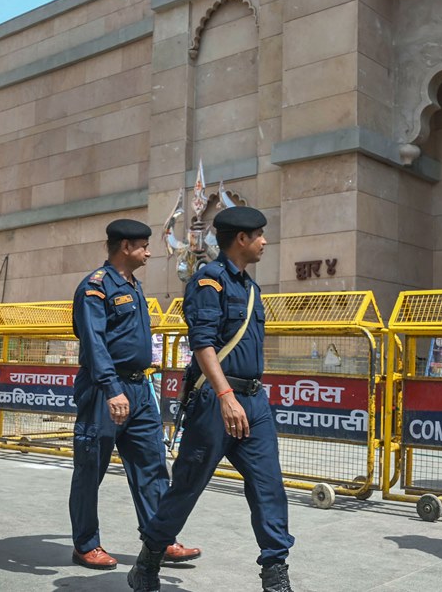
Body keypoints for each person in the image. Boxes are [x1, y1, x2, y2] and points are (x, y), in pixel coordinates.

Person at [128, 206, 294, 592]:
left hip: (253, 401)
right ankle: (149, 560)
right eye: (260, 235)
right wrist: (224, 395)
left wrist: (241, 398)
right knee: (187, 486)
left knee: (269, 487)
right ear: (241, 239)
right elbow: (201, 344)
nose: (265, 242)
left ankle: (275, 574)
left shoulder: (250, 288)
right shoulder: (209, 282)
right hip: (217, 403)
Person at [69, 219, 201, 570]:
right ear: (126, 247)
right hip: (105, 389)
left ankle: (159, 539)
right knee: (90, 468)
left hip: (140, 389)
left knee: (152, 465)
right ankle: (85, 544)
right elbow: (94, 343)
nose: (150, 251)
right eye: (144, 245)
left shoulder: (133, 285)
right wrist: (112, 389)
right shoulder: (95, 287)